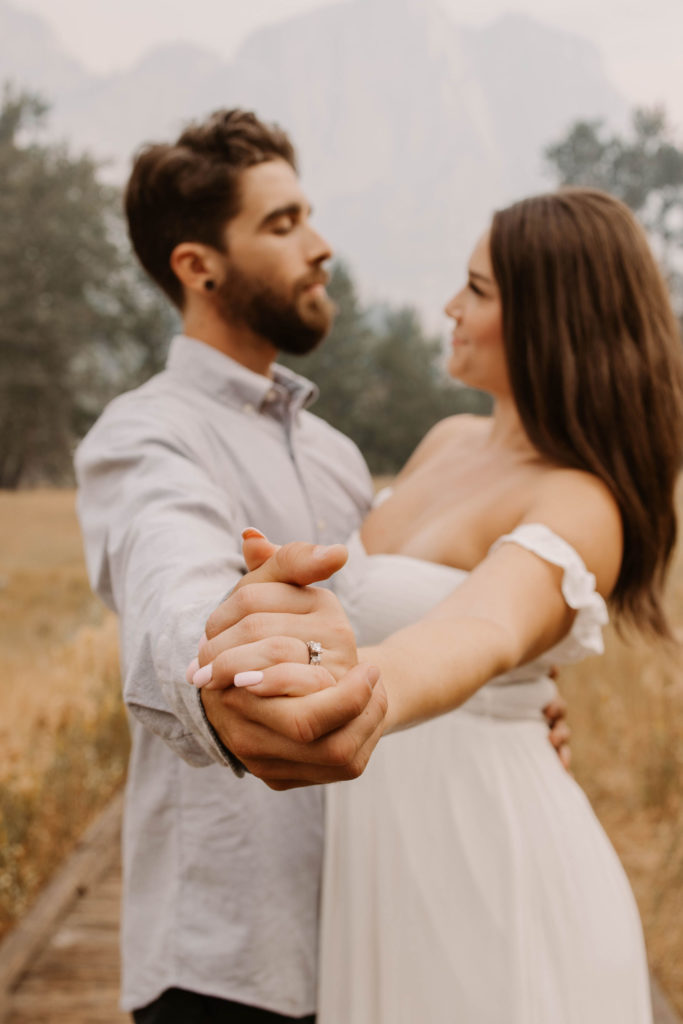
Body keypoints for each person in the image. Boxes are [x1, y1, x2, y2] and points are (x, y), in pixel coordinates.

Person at [75, 106, 571, 1022]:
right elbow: (171, 588)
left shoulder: (340, 456)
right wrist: (222, 674)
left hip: (381, 935)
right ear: (199, 266)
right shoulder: (146, 437)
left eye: (308, 215)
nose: (320, 245)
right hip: (229, 962)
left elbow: (408, 620)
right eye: (282, 224)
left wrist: (506, 709)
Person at [193, 188, 683, 1022]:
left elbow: (480, 627)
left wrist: (355, 683)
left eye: (478, 290)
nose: (450, 307)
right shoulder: (447, 440)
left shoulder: (579, 502)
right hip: (383, 860)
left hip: (488, 858)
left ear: (551, 317)